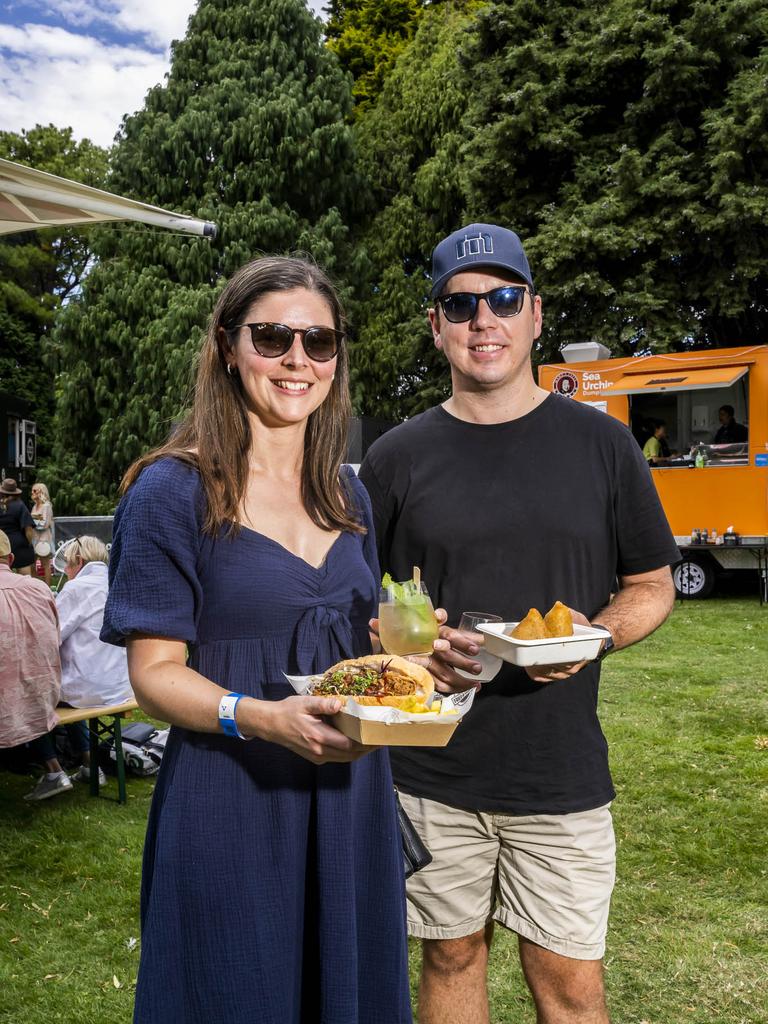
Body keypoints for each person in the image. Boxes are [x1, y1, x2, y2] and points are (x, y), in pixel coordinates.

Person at [359, 223, 679, 1024]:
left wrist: (596, 633)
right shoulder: (397, 457)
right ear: (437, 327)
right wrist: (408, 639)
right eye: (460, 305)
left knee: (570, 987)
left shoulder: (605, 446)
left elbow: (650, 584)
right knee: (451, 954)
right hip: (432, 770)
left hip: (559, 771)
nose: (483, 320)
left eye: (503, 298)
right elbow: (363, 598)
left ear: (535, 313)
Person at [100, 256, 412, 1024]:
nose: (297, 360)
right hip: (231, 797)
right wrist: (260, 716)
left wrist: (413, 668)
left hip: (350, 796)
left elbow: (355, 649)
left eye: (320, 342)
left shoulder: (350, 492)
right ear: (228, 347)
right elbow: (154, 675)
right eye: (272, 337)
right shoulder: (172, 491)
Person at [26, 535, 135, 793]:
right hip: (119, 685)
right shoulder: (116, 583)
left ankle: (54, 772)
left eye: (68, 566)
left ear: (79, 560)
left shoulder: (76, 588)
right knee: (70, 691)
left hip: (91, 686)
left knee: (29, 696)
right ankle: (89, 765)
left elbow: (52, 635)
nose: (68, 572)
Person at [0, 528, 70, 801]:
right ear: (12, 558)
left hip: (10, 707)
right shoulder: (39, 588)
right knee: (23, 681)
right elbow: (56, 634)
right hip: (42, 698)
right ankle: (54, 768)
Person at [0, 478, 36, 575]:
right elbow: (28, 529)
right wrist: (29, 543)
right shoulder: (20, 505)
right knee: (25, 577)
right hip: (20, 544)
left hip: (2, 544)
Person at [30, 481, 55, 585]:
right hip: (34, 538)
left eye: (34, 490)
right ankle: (39, 585)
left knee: (45, 565)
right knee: (31, 564)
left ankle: (47, 587)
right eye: (32, 490)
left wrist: (31, 519)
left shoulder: (47, 506)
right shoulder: (35, 506)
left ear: (41, 491)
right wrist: (35, 519)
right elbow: (38, 521)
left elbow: (44, 524)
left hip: (44, 539)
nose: (32, 492)